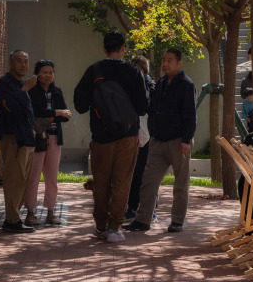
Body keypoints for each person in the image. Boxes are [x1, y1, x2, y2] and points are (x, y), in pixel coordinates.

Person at [74, 31, 149, 243]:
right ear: (124, 47)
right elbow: (143, 107)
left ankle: (99, 224)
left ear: (104, 49)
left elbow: (79, 104)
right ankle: (114, 227)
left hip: (101, 136)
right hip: (128, 136)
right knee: (123, 182)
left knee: (101, 181)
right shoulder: (134, 73)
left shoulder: (94, 70)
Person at [125, 48, 197, 233]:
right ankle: (142, 220)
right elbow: (152, 108)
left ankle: (177, 221)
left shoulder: (187, 85)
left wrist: (186, 140)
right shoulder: (162, 82)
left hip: (179, 141)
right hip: (157, 141)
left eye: (169, 60)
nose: (165, 64)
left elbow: (190, 115)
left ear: (179, 63)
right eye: (163, 60)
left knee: (180, 184)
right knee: (148, 181)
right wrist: (153, 133)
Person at [0, 50, 38, 234]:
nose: (23, 65)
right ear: (11, 63)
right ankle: (11, 220)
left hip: (26, 138)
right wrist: (25, 89)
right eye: (19, 61)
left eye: (26, 62)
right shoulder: (4, 83)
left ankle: (15, 218)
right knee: (14, 179)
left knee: (22, 181)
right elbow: (9, 106)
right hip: (13, 138)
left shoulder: (21, 83)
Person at [23, 59, 71, 227]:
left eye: (50, 72)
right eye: (44, 72)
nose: (48, 75)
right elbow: (36, 112)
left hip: (55, 137)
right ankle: (30, 213)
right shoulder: (32, 92)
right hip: (38, 138)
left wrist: (53, 115)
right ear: (37, 74)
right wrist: (57, 112)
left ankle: (50, 212)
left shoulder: (57, 92)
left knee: (52, 178)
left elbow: (65, 117)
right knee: (33, 177)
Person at [125, 55, 157, 220]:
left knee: (147, 176)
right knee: (134, 174)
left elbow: (146, 108)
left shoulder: (151, 86)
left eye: (134, 70)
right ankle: (131, 207)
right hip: (134, 136)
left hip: (148, 137)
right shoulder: (131, 87)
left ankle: (149, 209)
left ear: (142, 70)